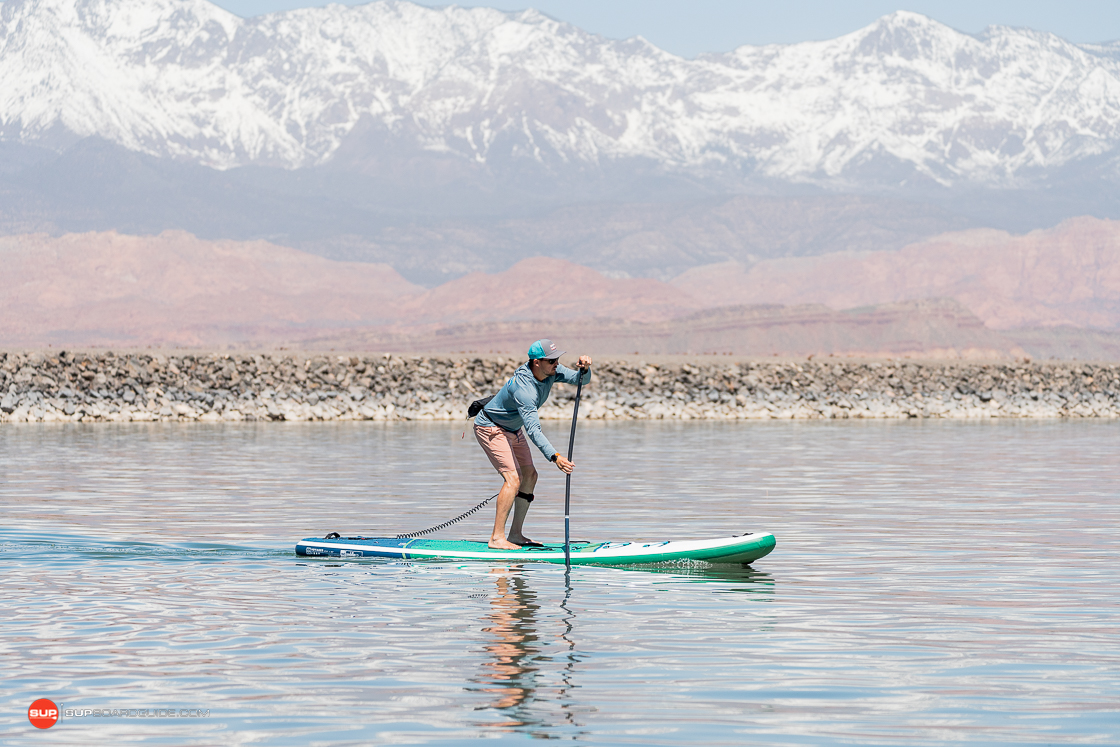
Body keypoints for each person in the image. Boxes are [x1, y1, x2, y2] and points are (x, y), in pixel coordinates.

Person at [474, 339, 592, 549]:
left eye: (557, 359)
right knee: (513, 479)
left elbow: (580, 380)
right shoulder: (524, 389)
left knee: (530, 476)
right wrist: (555, 457)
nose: (556, 363)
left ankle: (516, 534)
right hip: (491, 427)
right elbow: (534, 431)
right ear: (536, 362)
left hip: (512, 428)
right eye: (551, 360)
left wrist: (586, 368)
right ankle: (496, 538)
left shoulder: (551, 371)